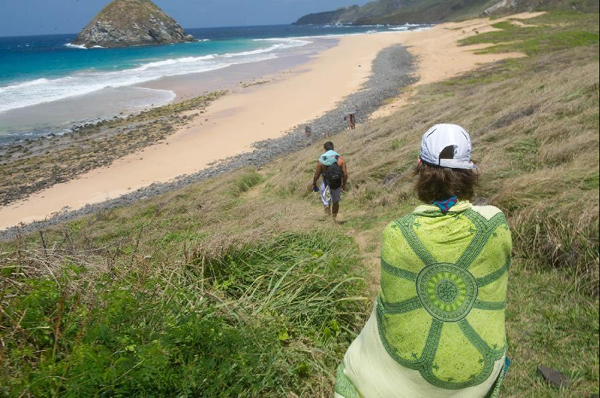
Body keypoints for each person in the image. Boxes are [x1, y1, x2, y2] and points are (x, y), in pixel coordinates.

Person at [335, 124, 512, 398]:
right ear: (469, 171)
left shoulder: (398, 233)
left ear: (420, 167)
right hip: (478, 378)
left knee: (357, 360)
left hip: (401, 384)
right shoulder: (495, 223)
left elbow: (391, 307)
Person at [312, 141, 348, 220]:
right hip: (337, 184)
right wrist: (344, 185)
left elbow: (316, 175)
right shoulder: (340, 159)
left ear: (324, 149)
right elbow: (345, 174)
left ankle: (328, 218)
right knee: (335, 201)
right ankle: (333, 219)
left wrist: (314, 184)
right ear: (333, 148)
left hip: (326, 184)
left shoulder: (322, 160)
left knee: (326, 202)